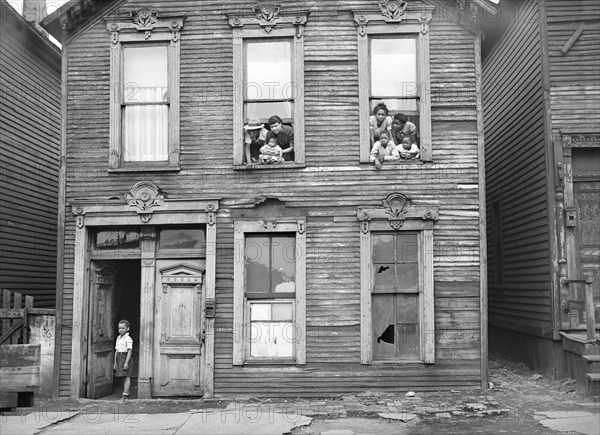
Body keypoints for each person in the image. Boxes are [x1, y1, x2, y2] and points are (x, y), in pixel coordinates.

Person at [114, 319, 133, 401]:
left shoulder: (128, 339)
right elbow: (116, 351)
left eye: (123, 328)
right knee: (122, 376)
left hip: (125, 357)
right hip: (119, 357)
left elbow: (129, 351)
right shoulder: (118, 338)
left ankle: (125, 394)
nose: (121, 330)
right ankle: (125, 392)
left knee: (126, 376)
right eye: (119, 328)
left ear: (127, 329)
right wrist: (115, 362)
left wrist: (126, 362)